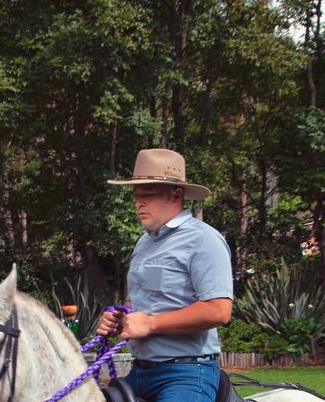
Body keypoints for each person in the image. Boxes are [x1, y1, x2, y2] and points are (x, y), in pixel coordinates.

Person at [97, 148, 233, 402]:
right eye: (136, 195)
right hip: (139, 372)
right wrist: (119, 320)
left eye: (148, 194)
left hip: (187, 374)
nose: (139, 203)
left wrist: (149, 323)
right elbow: (139, 302)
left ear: (176, 195)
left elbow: (219, 311)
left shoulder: (203, 239)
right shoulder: (144, 243)